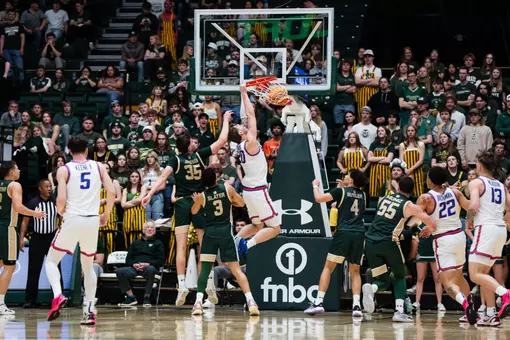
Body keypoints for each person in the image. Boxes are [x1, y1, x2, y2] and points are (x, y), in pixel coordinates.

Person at [142, 111, 232, 306]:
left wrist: (149, 194)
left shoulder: (175, 160)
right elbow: (223, 139)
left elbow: (162, 178)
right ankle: (208, 283)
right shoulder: (199, 156)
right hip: (198, 201)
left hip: (182, 202)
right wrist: (224, 120)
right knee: (204, 246)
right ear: (189, 145)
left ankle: (182, 284)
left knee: (181, 247)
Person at [45, 136, 115, 326]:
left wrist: (61, 213)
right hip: (92, 221)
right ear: (87, 150)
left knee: (51, 260)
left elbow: (60, 200)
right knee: (87, 266)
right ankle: (89, 311)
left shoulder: (64, 169)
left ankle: (58, 295)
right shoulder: (99, 167)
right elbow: (112, 191)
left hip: (73, 218)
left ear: (69, 151)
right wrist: (106, 214)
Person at [362, 176, 436, 322]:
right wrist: (429, 229)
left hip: (370, 241)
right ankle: (399, 311)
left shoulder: (385, 199)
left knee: (382, 279)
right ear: (413, 191)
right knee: (400, 275)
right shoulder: (409, 205)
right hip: (388, 242)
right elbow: (430, 223)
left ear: (397, 187)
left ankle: (372, 289)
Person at [190, 168, 260, 316]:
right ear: (216, 178)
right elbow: (241, 204)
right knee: (236, 270)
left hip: (210, 235)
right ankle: (251, 301)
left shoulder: (202, 196)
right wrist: (229, 201)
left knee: (205, 270)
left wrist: (197, 201)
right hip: (225, 235)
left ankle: (197, 303)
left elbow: (194, 211)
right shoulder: (227, 188)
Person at [417, 166, 477, 324]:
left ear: (430, 180)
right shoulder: (455, 192)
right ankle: (471, 306)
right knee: (458, 276)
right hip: (459, 237)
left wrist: (427, 228)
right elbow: (470, 207)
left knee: (448, 284)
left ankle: (464, 304)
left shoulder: (426, 198)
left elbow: (415, 219)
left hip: (443, 240)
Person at [305, 170, 367, 317]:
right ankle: (357, 306)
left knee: (328, 268)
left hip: (344, 232)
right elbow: (351, 201)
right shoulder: (364, 195)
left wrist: (315, 186)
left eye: (347, 175)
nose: (344, 176)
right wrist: (342, 189)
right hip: (359, 233)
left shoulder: (340, 191)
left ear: (351, 180)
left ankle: (318, 302)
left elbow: (319, 199)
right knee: (355, 271)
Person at [230, 84, 281, 252]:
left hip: (249, 190)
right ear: (242, 134)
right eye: (238, 127)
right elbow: (250, 114)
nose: (241, 124)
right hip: (258, 190)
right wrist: (244, 93)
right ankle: (247, 245)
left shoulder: (240, 147)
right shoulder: (250, 143)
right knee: (275, 228)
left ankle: (235, 240)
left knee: (257, 225)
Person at [466, 151, 510, 325]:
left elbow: (474, 204)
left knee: (475, 275)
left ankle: (505, 294)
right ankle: (492, 314)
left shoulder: (476, 182)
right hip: (500, 230)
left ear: (479, 165)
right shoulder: (500, 185)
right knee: (484, 273)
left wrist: (469, 220)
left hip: (486, 228)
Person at [0, 161, 45, 315]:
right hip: (8, 227)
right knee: (10, 265)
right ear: (11, 172)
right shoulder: (14, 185)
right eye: (17, 168)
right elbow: (18, 207)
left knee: (0, 262)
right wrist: (35, 214)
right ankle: (0, 304)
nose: (19, 170)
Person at [20, 179, 59, 308]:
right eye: (46, 186)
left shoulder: (56, 202)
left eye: (50, 186)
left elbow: (63, 217)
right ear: (40, 188)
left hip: (52, 238)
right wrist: (21, 238)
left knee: (55, 268)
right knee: (33, 269)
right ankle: (30, 299)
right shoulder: (33, 202)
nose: (49, 189)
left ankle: (58, 298)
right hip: (37, 238)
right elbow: (25, 221)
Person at [117, 220, 164, 307]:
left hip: (149, 268)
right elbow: (128, 259)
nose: (149, 229)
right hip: (134, 268)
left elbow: (161, 261)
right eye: (147, 227)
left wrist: (148, 264)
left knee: (151, 270)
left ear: (155, 231)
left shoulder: (158, 243)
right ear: (143, 230)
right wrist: (134, 264)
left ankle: (147, 297)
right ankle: (130, 297)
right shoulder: (136, 243)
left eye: (152, 228)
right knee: (120, 271)